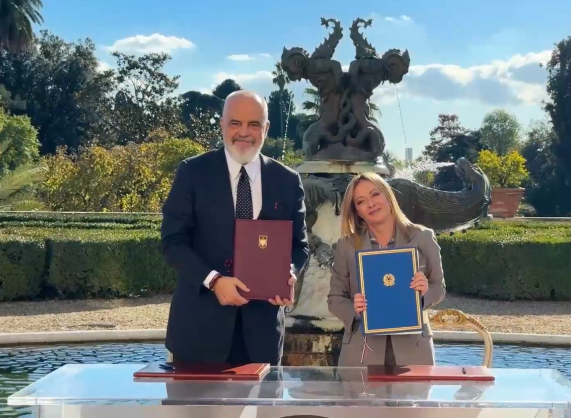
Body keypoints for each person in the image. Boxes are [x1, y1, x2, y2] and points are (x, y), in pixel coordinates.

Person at [160, 90, 309, 366]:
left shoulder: (287, 180)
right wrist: (214, 280)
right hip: (198, 332)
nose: (244, 132)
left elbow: (299, 247)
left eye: (254, 124)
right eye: (235, 123)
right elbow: (172, 242)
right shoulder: (192, 172)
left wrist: (288, 273)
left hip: (262, 337)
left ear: (266, 128)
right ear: (222, 125)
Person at [327, 172, 446, 367]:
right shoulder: (346, 246)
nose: (371, 204)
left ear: (388, 196)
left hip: (414, 349)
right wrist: (354, 310)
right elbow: (335, 299)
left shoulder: (423, 237)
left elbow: (438, 287)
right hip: (362, 351)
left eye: (375, 194)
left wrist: (423, 294)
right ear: (357, 211)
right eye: (361, 201)